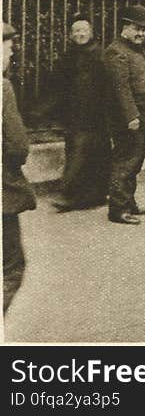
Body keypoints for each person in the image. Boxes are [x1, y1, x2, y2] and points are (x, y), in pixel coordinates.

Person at [32, 14, 111, 212]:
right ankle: (76, 196)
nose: (80, 33)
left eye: (84, 30)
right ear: (70, 35)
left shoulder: (100, 55)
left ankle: (85, 195)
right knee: (77, 152)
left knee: (93, 155)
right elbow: (57, 87)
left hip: (96, 115)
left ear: (91, 33)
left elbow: (110, 86)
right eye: (76, 30)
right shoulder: (69, 57)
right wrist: (41, 111)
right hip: (76, 115)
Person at [104, 5, 145, 225]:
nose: (141, 33)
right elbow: (121, 88)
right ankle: (118, 210)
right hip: (130, 121)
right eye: (137, 28)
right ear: (124, 27)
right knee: (126, 162)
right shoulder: (116, 51)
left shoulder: (133, 49)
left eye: (144, 29)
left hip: (143, 118)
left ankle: (129, 203)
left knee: (134, 163)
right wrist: (131, 116)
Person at [3, 23, 36, 314]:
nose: (10, 52)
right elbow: (17, 146)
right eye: (8, 46)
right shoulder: (2, 87)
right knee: (11, 267)